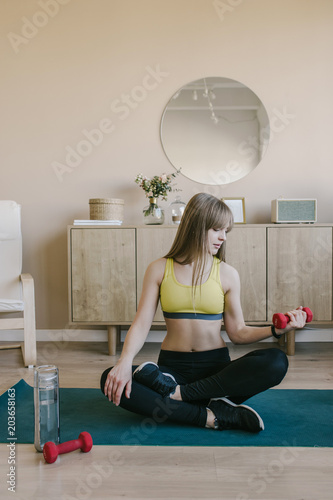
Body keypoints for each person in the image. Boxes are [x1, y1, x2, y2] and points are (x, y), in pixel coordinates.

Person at [100, 193, 307, 433]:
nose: (223, 237)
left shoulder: (228, 274)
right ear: (196, 226)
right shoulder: (158, 269)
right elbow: (142, 323)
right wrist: (124, 362)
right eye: (217, 229)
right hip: (171, 371)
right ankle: (211, 415)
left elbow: (237, 333)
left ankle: (180, 397)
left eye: (226, 231)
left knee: (276, 361)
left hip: (216, 372)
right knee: (109, 378)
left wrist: (276, 330)